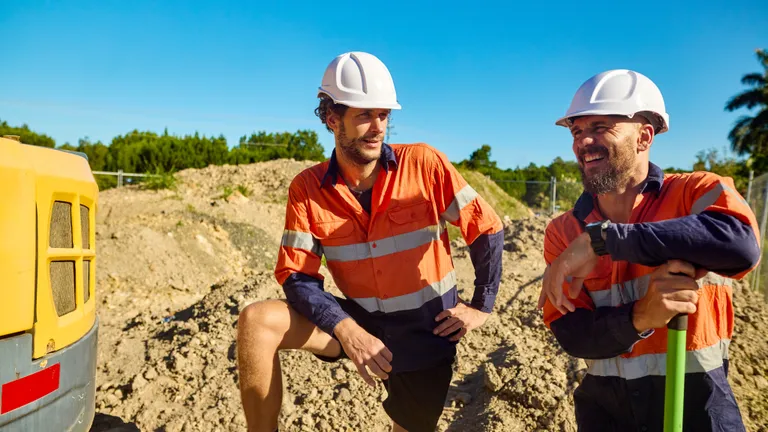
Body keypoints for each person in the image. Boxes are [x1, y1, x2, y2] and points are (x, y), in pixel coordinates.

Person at [236, 51, 504, 432]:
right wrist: (347, 330)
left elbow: (487, 227)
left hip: (426, 334)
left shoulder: (425, 165)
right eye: (364, 115)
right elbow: (296, 277)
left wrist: (482, 305)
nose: (377, 127)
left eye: (383, 115)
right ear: (332, 119)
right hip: (357, 322)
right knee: (257, 320)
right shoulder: (308, 188)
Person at [537, 69, 760, 431]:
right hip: (605, 412)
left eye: (601, 126)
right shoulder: (563, 231)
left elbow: (740, 242)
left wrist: (605, 240)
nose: (584, 141)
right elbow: (571, 331)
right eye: (577, 131)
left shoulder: (695, 193)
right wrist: (641, 317)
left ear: (644, 136)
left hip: (698, 407)